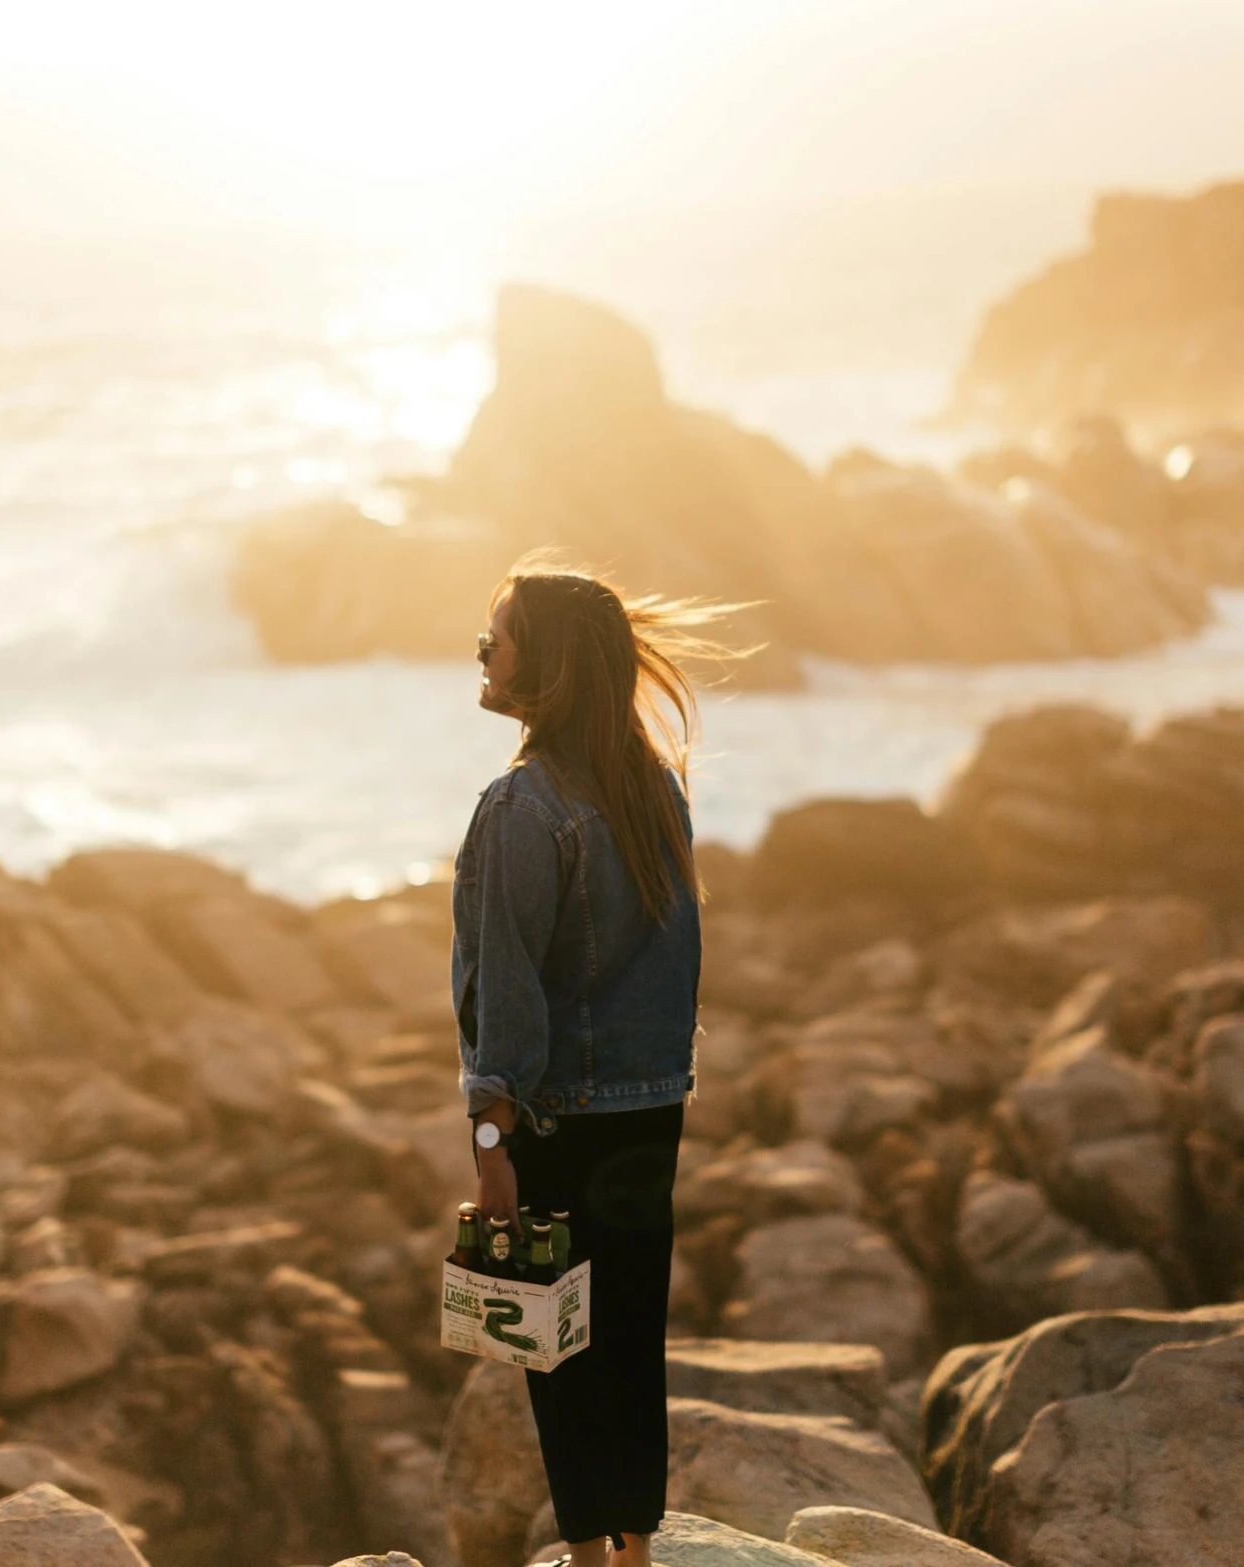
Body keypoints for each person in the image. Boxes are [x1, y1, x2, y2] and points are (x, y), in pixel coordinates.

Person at [454, 561, 737, 1567]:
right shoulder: (652, 787)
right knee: (629, 1334)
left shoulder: (521, 806)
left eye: (498, 636)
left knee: (556, 1342)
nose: (480, 653)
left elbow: (506, 993)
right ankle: (636, 1551)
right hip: (649, 1107)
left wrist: (493, 1137)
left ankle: (587, 1557)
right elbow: (674, 962)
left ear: (551, 663)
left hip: (559, 1117)